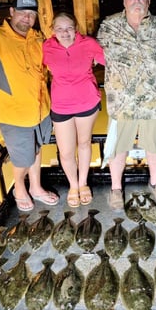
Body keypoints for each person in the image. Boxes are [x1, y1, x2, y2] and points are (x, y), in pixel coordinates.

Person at [0, 0, 59, 212]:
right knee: (21, 158)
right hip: (14, 114)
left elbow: (48, 69)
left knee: (35, 150)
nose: (27, 18)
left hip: (41, 109)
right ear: (11, 12)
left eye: (32, 14)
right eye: (23, 13)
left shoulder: (37, 38)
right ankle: (19, 189)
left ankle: (35, 187)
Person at [97, 0, 156, 210]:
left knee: (154, 145)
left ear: (149, 0)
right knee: (118, 147)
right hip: (121, 102)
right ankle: (116, 189)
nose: (137, 0)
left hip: (152, 100)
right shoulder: (109, 26)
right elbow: (93, 54)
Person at [42, 12, 105, 207]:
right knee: (66, 151)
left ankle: (83, 183)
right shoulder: (46, 47)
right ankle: (73, 185)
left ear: (75, 27)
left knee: (85, 143)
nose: (65, 32)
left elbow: (111, 63)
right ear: (53, 30)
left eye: (69, 28)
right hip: (61, 105)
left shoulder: (89, 44)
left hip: (87, 101)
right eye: (59, 29)